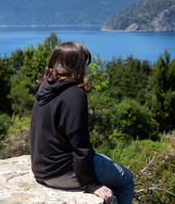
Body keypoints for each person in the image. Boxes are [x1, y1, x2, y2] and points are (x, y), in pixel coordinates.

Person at [30, 41, 134, 204]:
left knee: (104, 159)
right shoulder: (74, 94)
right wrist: (91, 184)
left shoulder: (46, 87)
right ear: (78, 65)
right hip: (61, 172)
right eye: (84, 63)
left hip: (41, 169)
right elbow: (80, 145)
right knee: (126, 179)